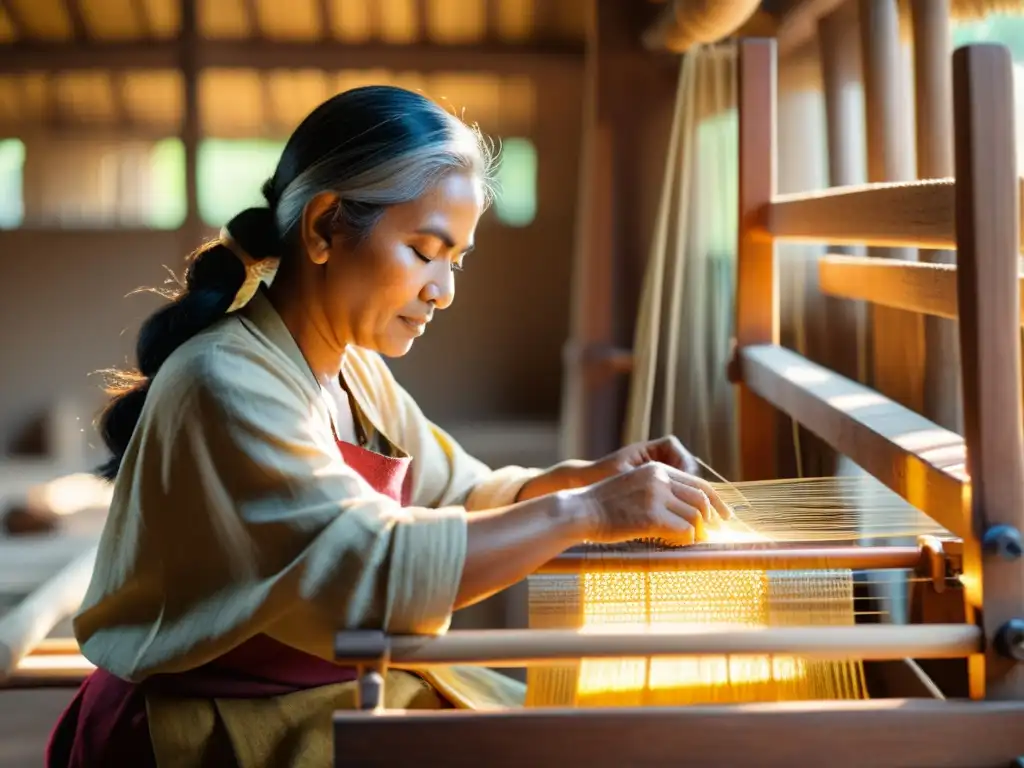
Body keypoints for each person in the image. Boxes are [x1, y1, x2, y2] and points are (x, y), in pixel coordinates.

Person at [46, 85, 732, 767]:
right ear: (324, 227)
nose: (444, 289)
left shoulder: (354, 371)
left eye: (455, 260)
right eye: (425, 251)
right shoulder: (224, 381)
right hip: (217, 727)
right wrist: (584, 511)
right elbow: (369, 569)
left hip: (319, 689)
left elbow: (458, 494)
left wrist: (587, 479)